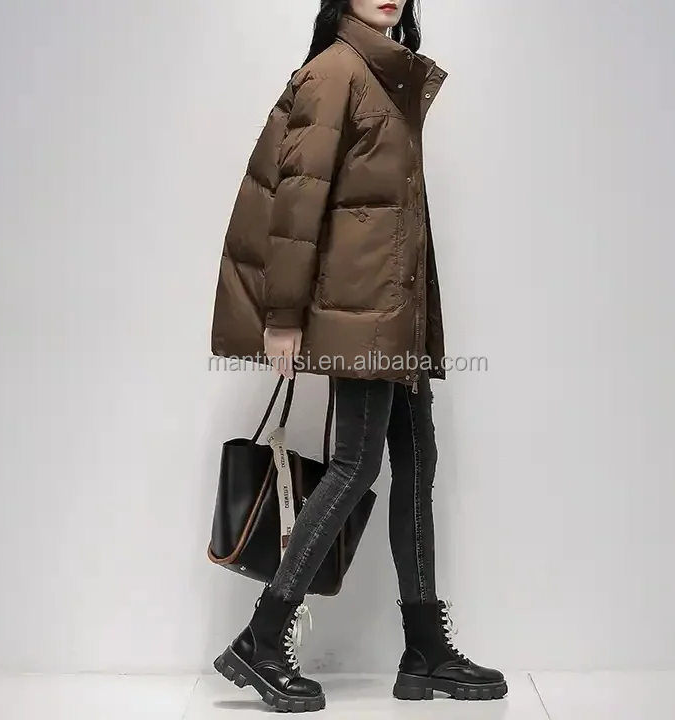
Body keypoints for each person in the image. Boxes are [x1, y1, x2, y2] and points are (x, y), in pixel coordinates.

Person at [209, 0, 506, 712]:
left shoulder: (385, 75)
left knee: (416, 465)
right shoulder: (335, 72)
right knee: (355, 465)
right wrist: (282, 316)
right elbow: (296, 201)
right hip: (359, 313)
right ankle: (260, 638)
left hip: (395, 313)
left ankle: (424, 651)